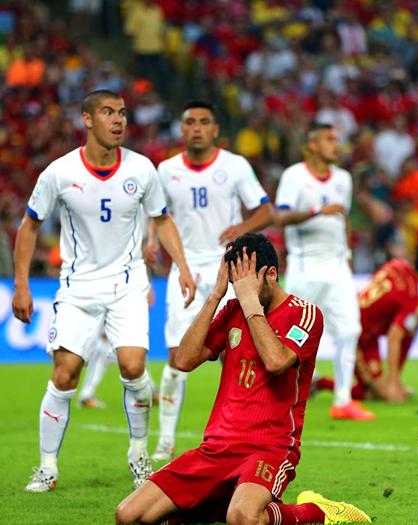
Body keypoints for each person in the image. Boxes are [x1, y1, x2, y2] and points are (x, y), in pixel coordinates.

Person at [114, 234, 371, 525]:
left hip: (270, 447)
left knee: (244, 518)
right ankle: (225, 503)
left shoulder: (305, 314)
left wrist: (250, 303)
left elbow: (276, 361)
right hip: (216, 448)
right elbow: (183, 361)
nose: (240, 291)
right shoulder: (231, 309)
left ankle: (318, 512)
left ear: (271, 274)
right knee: (128, 516)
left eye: (246, 283)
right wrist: (215, 295)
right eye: (235, 283)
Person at [12, 90, 197, 492]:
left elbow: (162, 219)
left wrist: (182, 266)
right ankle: (47, 467)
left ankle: (139, 454)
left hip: (127, 285)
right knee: (65, 373)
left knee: (132, 366)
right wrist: (21, 284)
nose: (118, 120)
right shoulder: (60, 172)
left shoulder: (141, 168)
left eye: (123, 113)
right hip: (78, 287)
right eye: (108, 112)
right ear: (87, 119)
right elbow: (29, 226)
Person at [146, 100, 273, 462]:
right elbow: (155, 214)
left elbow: (266, 210)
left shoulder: (235, 165)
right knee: (177, 355)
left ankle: (245, 430)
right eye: (190, 122)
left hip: (230, 270)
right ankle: (165, 441)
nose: (197, 128)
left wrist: (242, 227)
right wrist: (150, 243)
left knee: (239, 353)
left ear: (215, 129)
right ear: (182, 129)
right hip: (184, 269)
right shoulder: (166, 170)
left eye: (204, 121)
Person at [275, 123, 374, 421]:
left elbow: (343, 219)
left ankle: (343, 400)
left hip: (338, 266)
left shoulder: (343, 178)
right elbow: (281, 216)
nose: (336, 145)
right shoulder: (294, 176)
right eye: (330, 139)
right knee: (293, 336)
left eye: (337, 139)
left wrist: (347, 253)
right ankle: (281, 398)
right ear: (313, 145)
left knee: (350, 330)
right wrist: (318, 211)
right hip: (305, 267)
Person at [314, 243, 418, 403]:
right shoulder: (412, 298)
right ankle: (319, 383)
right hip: (356, 335)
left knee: (414, 321)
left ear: (414, 257)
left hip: (357, 322)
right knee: (380, 395)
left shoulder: (396, 264)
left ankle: (387, 383)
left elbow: (392, 294)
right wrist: (393, 386)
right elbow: (394, 338)